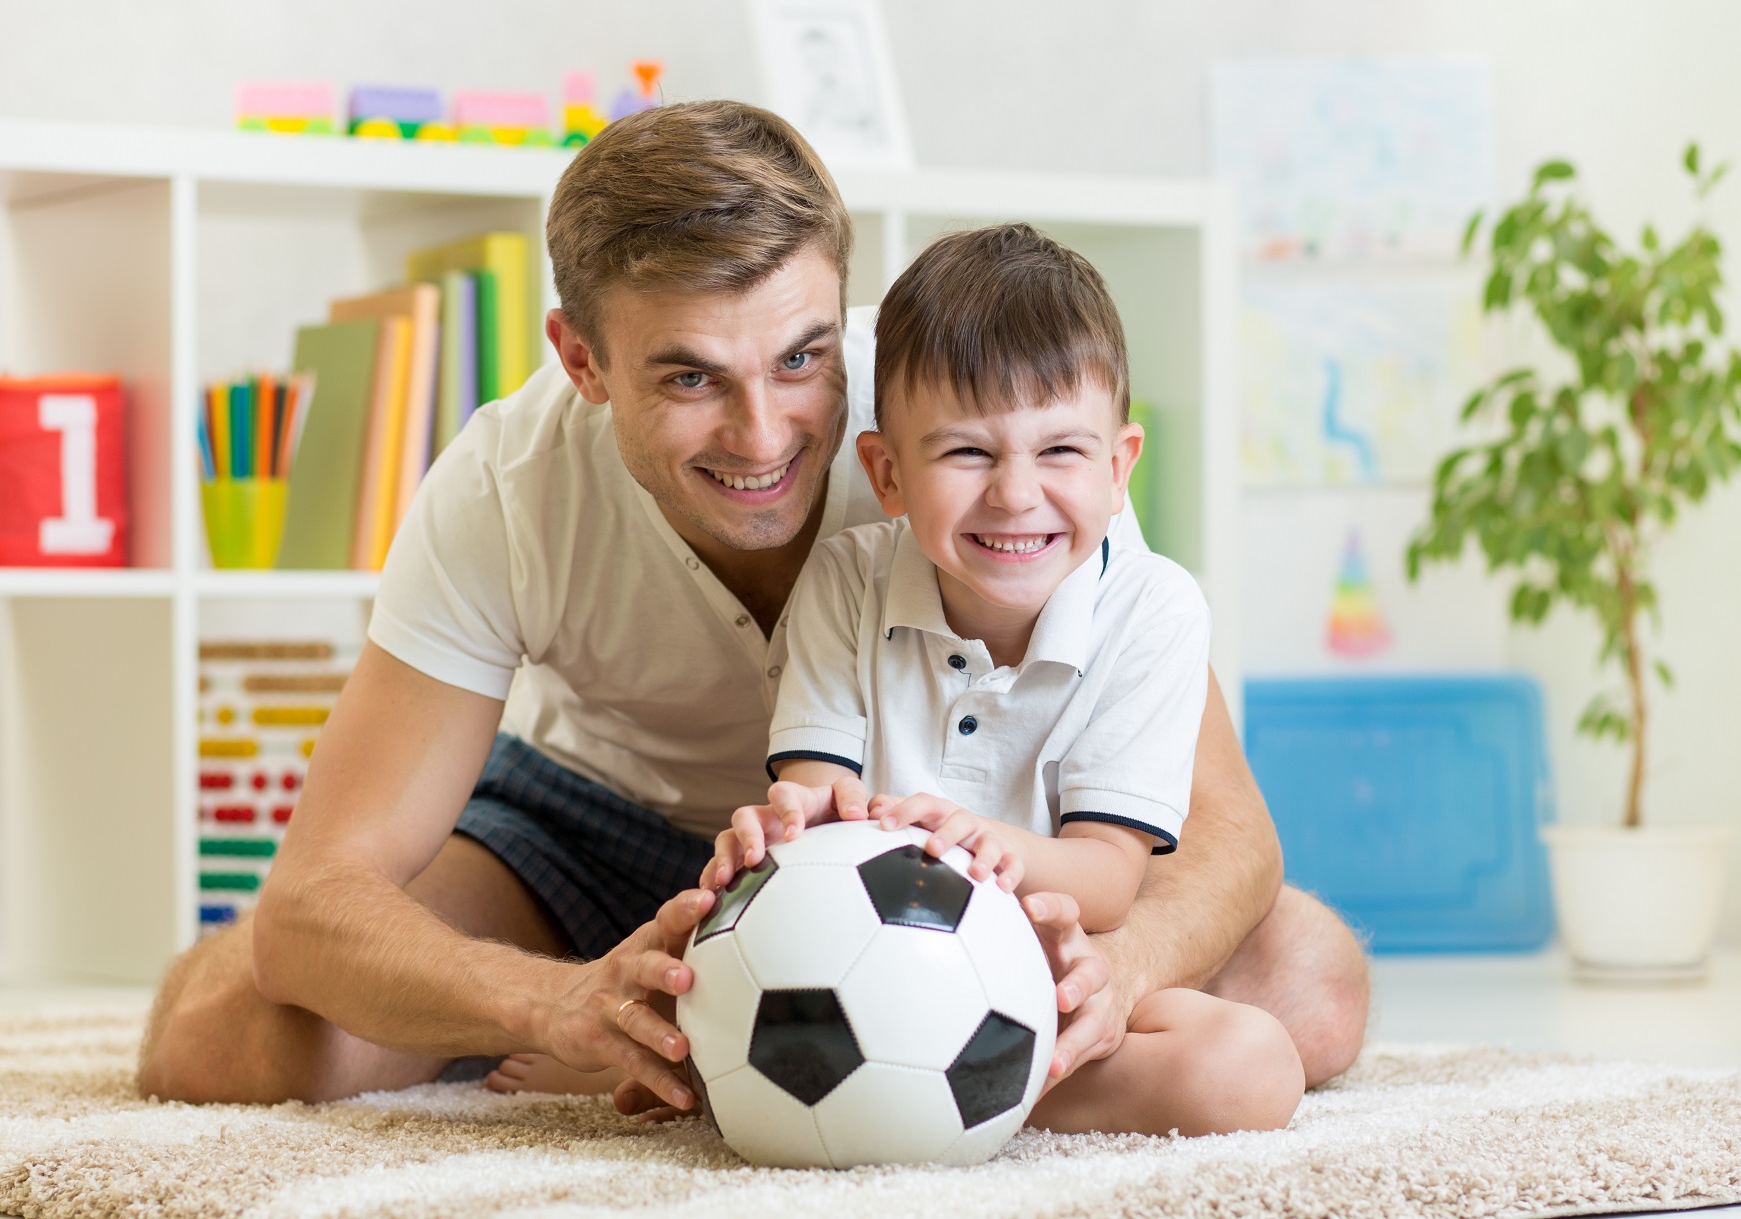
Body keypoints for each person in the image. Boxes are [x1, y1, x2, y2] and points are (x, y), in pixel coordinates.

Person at [135, 100, 1369, 1115]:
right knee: (227, 1038)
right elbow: (311, 901)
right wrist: (546, 998)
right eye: (689, 376)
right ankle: (623, 1031)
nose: (765, 435)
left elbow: (1225, 836)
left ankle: (806, 1055)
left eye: (799, 357)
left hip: (937, 840)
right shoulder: (504, 484)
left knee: (1310, 983)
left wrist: (1123, 967)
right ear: (581, 360)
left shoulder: (982, 421)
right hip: (597, 832)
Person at [689, 223, 1304, 1136]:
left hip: (1046, 964)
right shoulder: (846, 580)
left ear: (1118, 466)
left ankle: (910, 1095)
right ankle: (881, 1086)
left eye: (1059, 451)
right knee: (695, 973)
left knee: (1248, 1066)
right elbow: (811, 806)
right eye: (967, 453)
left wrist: (976, 845)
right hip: (866, 964)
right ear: (887, 472)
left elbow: (1104, 880)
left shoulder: (1155, 609)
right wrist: (775, 833)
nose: (1015, 494)